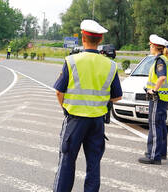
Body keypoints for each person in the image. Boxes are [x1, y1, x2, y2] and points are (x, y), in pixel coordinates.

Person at [53, 19, 123, 192]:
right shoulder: (110, 65)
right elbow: (117, 97)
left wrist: (66, 107)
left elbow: (58, 92)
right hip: (97, 123)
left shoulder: (72, 61)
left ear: (83, 38)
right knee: (93, 164)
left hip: (75, 121)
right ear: (100, 41)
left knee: (67, 162)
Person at [138, 34, 168, 165]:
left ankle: (153, 155)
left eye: (151, 45)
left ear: (155, 47)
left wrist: (153, 90)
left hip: (157, 98)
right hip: (164, 97)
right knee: (161, 125)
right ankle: (161, 152)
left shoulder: (160, 60)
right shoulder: (165, 59)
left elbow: (162, 77)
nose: (150, 47)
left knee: (154, 125)